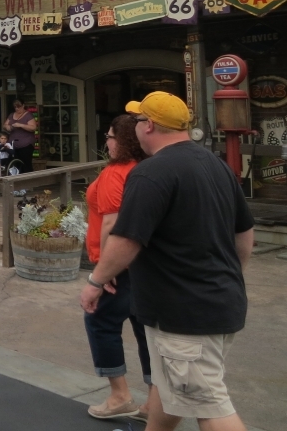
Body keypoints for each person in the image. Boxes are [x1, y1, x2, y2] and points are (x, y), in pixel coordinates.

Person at [81, 92, 254, 431]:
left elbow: (126, 238)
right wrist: (228, 276)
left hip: (185, 311)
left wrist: (96, 280)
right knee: (170, 389)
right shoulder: (214, 164)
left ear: (149, 126)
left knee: (210, 404)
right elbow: (244, 235)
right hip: (211, 300)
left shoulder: (152, 172)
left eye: (140, 121)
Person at [82, 114, 151, 420]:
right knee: (144, 327)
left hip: (117, 261)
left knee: (101, 321)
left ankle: (119, 394)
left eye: (109, 137)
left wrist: (103, 270)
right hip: (144, 261)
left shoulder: (116, 172)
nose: (106, 142)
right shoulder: (146, 168)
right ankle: (155, 400)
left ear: (121, 141)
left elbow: (111, 222)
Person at [3, 98, 37, 173]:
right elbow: (5, 125)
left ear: (23, 106)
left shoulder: (28, 115)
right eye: (15, 107)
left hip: (26, 145)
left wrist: (21, 125)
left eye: (19, 107)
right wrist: (7, 127)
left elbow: (33, 128)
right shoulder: (12, 115)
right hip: (13, 145)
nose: (17, 109)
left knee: (26, 164)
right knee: (14, 164)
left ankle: (27, 180)